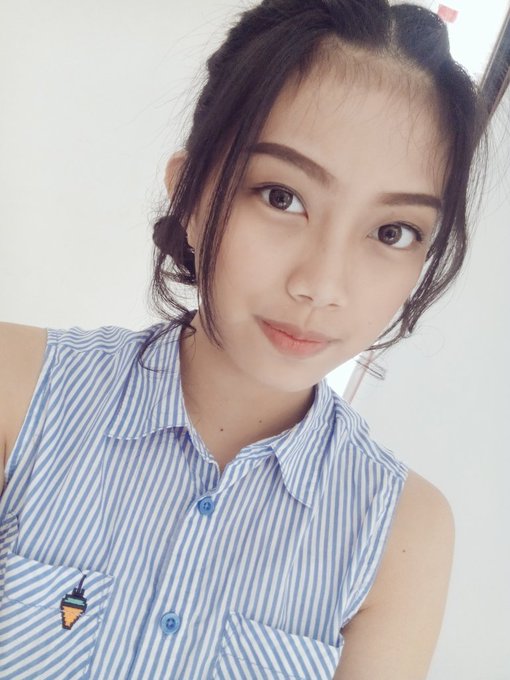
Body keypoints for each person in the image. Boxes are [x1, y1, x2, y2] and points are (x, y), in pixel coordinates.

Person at [0, 1, 487, 678]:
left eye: (392, 232)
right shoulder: (19, 392)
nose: (322, 284)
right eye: (282, 196)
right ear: (190, 193)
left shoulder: (402, 532)